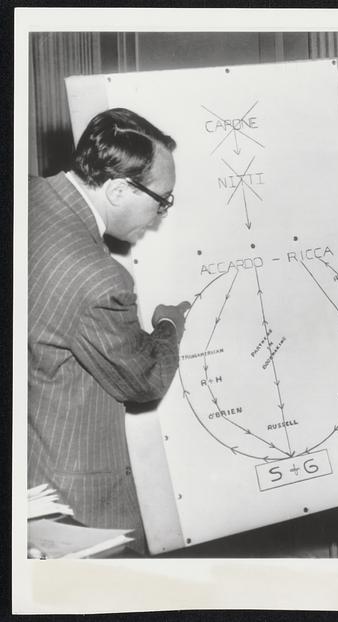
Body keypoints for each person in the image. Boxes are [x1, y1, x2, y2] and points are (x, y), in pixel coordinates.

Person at [28, 108, 190, 553]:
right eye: (162, 199)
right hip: (74, 510)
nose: (160, 217)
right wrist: (168, 324)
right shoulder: (99, 280)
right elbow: (145, 380)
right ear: (117, 189)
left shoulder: (27, 194)